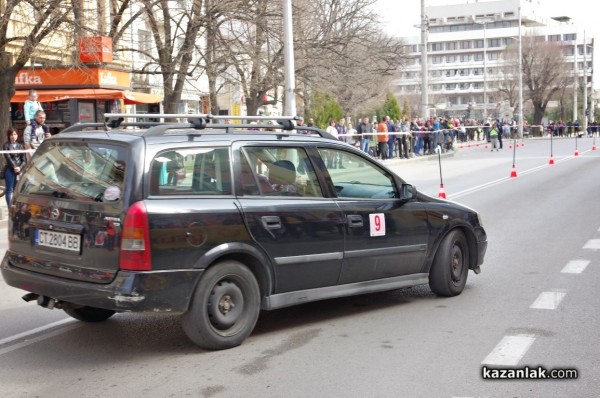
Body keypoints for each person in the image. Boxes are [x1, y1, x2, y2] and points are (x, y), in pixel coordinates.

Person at [3, 128, 27, 206]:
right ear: (8, 136)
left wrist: (20, 167)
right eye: (11, 134)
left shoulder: (20, 145)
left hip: (19, 170)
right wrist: (14, 167)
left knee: (17, 190)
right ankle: (10, 208)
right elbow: (8, 158)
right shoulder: (6, 145)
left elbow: (24, 159)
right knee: (9, 190)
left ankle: (16, 207)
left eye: (15, 134)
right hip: (10, 170)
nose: (13, 136)